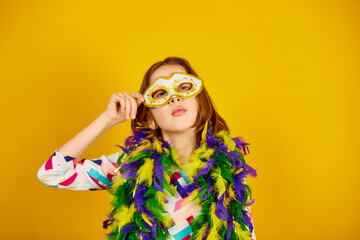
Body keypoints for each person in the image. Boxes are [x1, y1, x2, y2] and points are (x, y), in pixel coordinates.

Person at [37, 57, 257, 240]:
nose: (175, 97)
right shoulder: (128, 166)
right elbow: (51, 173)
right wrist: (107, 119)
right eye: (160, 93)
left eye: (184, 87)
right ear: (149, 117)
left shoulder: (227, 170)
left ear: (200, 103)